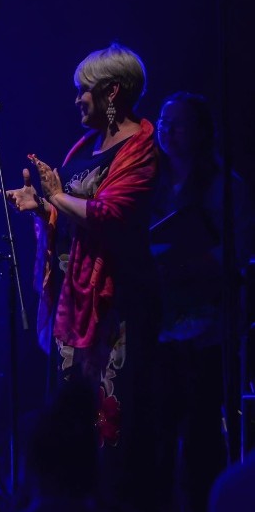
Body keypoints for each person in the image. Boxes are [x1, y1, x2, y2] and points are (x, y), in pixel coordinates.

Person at [5, 43, 163, 512]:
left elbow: (110, 213)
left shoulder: (143, 150)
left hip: (118, 306)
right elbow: (70, 212)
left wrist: (57, 198)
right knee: (73, 423)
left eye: (84, 91)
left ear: (112, 91)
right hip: (77, 300)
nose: (76, 99)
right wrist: (42, 207)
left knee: (111, 426)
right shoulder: (88, 144)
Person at [150, 91, 254, 512]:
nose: (167, 130)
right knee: (156, 435)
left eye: (178, 123)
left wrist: (188, 259)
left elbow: (238, 251)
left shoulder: (225, 188)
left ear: (200, 131)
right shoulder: (149, 182)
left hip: (207, 332)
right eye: (163, 120)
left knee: (202, 439)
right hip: (157, 328)